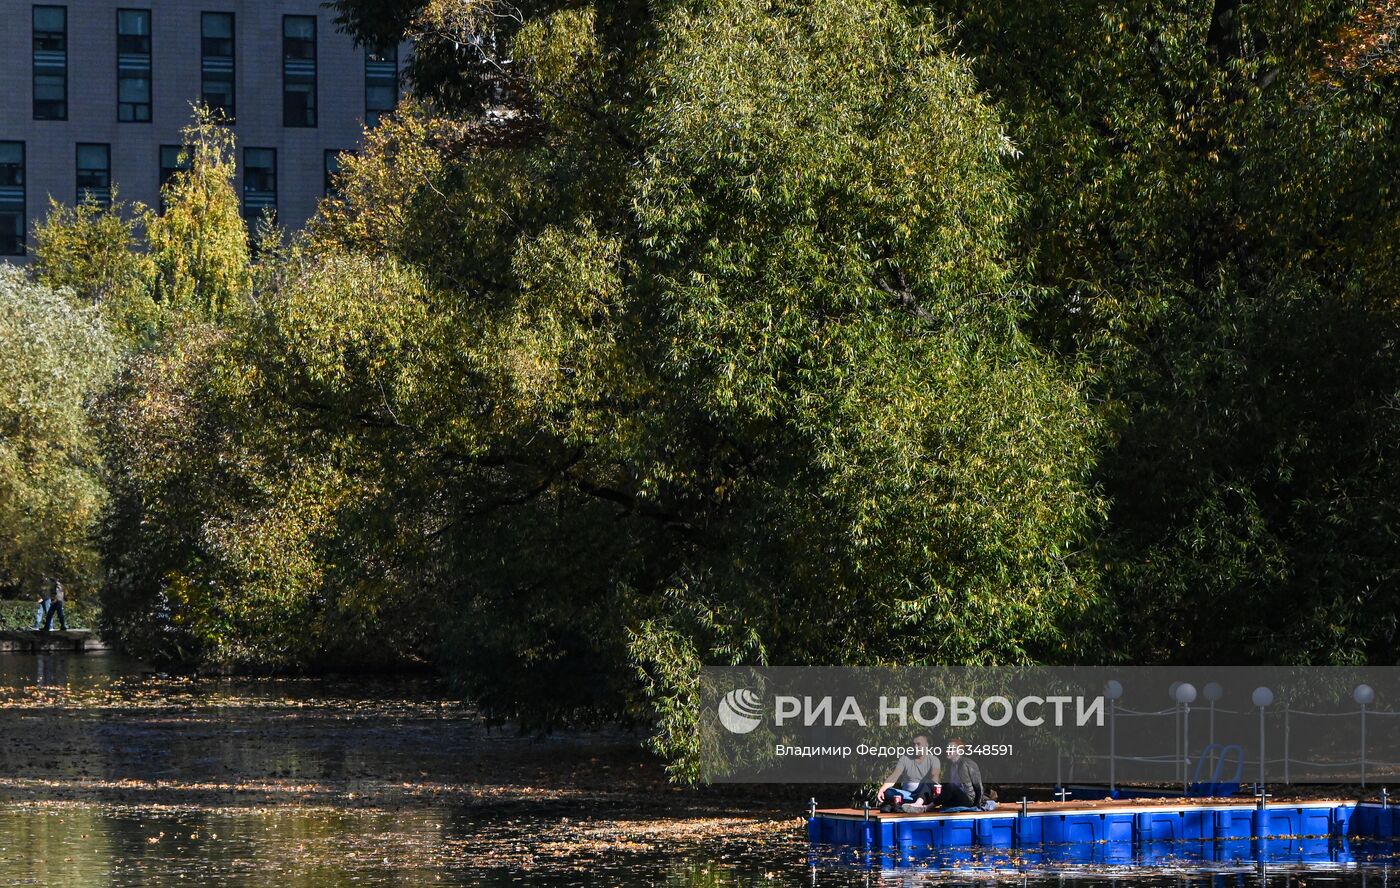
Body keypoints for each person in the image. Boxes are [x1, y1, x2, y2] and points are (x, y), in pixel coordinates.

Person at [876, 734, 939, 812]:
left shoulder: (934, 760)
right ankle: (896, 805)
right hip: (907, 795)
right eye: (914, 744)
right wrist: (882, 789)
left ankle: (913, 805)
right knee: (888, 792)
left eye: (918, 744)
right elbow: (894, 776)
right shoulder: (905, 759)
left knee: (930, 782)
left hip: (923, 797)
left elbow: (934, 779)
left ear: (926, 745)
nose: (915, 747)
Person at [930, 737, 984, 810]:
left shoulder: (968, 764)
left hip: (969, 799)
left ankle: (928, 807)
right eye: (947, 749)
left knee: (950, 786)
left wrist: (977, 804)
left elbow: (978, 786)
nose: (947, 751)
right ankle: (927, 804)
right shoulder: (950, 765)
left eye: (951, 749)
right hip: (956, 797)